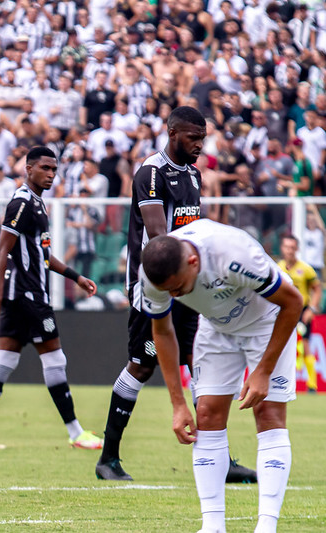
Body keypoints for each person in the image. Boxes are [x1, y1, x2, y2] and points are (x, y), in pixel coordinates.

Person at [95, 106, 256, 484]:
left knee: (200, 361)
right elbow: (158, 236)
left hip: (189, 287)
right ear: (172, 133)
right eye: (192, 138)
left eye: (202, 138)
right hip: (153, 286)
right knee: (142, 365)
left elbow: (194, 230)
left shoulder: (194, 175)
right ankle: (108, 458)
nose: (199, 145)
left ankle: (220, 458)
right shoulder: (151, 172)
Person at [139, 219, 302, 533]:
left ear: (193, 261)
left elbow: (293, 302)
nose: (173, 294)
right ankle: (212, 526)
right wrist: (177, 404)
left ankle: (266, 526)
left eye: (176, 287)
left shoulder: (233, 255)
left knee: (268, 412)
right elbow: (162, 330)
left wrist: (262, 371)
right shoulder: (152, 274)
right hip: (216, 326)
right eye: (167, 291)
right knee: (206, 414)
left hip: (267, 318)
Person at [0, 146, 102, 451]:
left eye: (54, 169)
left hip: (20, 294)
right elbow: (2, 250)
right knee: (55, 359)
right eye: (45, 168)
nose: (51, 174)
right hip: (28, 295)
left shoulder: (37, 204)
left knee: (5, 360)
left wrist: (75, 276)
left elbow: (43, 254)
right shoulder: (22, 203)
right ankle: (76, 432)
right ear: (29, 169)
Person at [277, 234, 321, 394]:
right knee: (280, 343)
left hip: (302, 311)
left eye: (292, 248)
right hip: (282, 310)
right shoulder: (278, 267)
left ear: (297, 249)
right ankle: (281, 380)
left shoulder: (306, 269)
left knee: (306, 343)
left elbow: (317, 289)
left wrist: (312, 309)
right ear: (282, 249)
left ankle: (312, 384)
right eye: (287, 247)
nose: (289, 251)